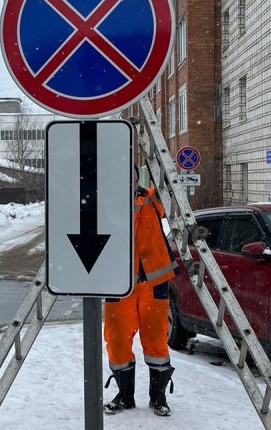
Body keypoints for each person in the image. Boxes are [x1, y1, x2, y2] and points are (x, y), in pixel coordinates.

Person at [103, 166, 180, 417]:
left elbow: (168, 186)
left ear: (137, 178)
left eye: (131, 174)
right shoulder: (105, 202)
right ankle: (125, 396)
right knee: (116, 340)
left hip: (153, 282)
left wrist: (164, 165)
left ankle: (158, 398)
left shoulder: (150, 198)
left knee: (156, 340)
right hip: (118, 283)